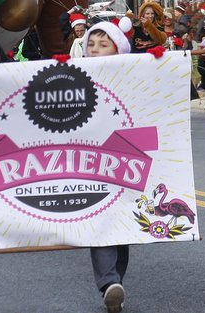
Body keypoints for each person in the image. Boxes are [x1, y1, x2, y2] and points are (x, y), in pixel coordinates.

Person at [80, 18, 133, 313]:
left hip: (123, 161)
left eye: (104, 45)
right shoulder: (74, 75)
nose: (96, 49)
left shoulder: (132, 75)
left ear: (118, 50)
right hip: (88, 162)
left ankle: (115, 284)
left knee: (121, 223)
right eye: (91, 44)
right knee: (98, 220)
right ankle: (108, 282)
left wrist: (161, 65)